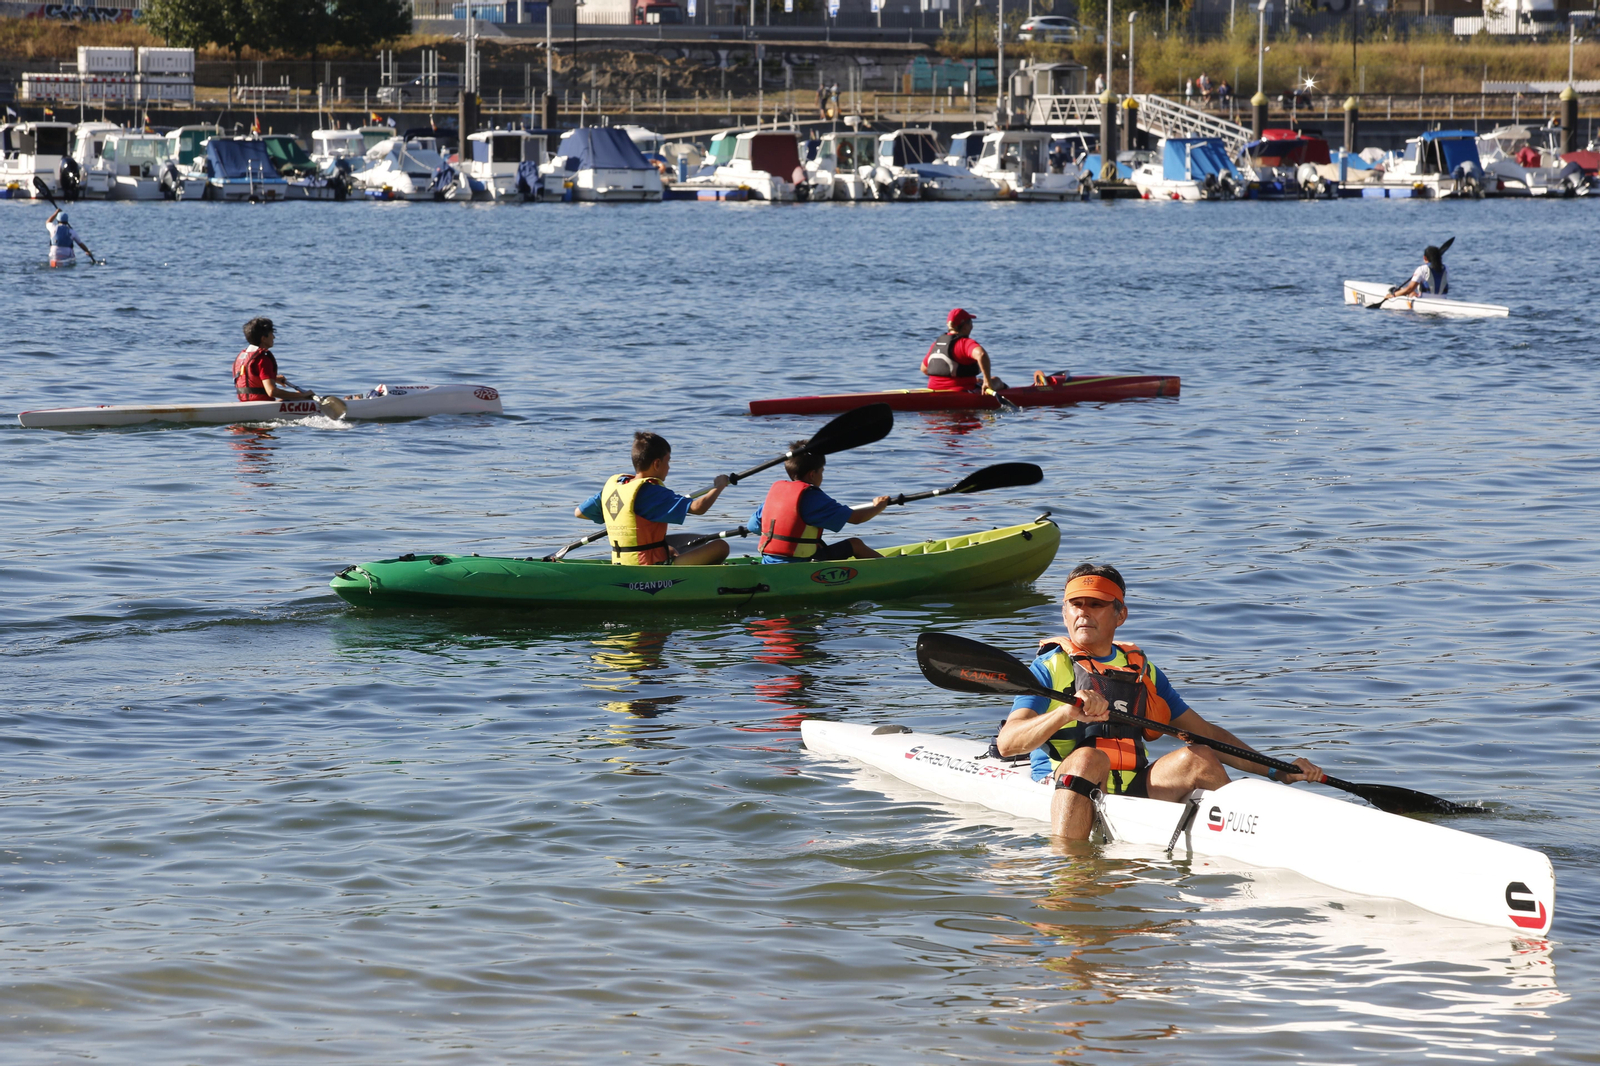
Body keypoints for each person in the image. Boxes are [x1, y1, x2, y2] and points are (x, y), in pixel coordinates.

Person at [995, 563, 1326, 842]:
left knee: (1200, 757)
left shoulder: (1142, 671)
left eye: (1095, 604)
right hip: (1064, 780)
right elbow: (1008, 743)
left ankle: (1250, 842)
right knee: (1087, 758)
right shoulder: (1048, 668)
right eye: (1076, 604)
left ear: (1120, 614)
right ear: (1064, 612)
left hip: (1134, 784)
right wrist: (1066, 712)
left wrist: (1278, 770)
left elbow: (1209, 734)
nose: (1084, 612)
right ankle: (1071, 875)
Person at [576, 431, 732, 567]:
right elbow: (699, 508)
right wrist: (719, 486)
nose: (669, 467)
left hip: (623, 564)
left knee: (670, 547)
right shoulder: (653, 492)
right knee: (721, 546)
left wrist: (622, 516)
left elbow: (580, 513)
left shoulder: (614, 488)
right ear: (657, 463)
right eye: (668, 461)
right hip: (653, 569)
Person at [747, 444, 891, 564]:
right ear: (812, 474)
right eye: (822, 471)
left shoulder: (775, 495)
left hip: (769, 562)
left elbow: (752, 526)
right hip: (801, 566)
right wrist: (879, 507)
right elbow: (856, 518)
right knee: (855, 544)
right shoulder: (812, 497)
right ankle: (893, 569)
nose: (822, 476)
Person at [922, 308, 1007, 393]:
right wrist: (987, 381)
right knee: (996, 381)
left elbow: (924, 368)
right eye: (970, 322)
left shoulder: (936, 343)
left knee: (978, 381)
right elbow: (981, 354)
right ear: (965, 326)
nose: (972, 326)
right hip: (962, 392)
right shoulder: (965, 343)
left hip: (934, 391)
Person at [233, 318, 312, 402]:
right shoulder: (263, 358)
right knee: (303, 399)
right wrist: (301, 395)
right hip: (263, 407)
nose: (274, 337)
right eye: (271, 334)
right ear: (263, 338)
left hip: (244, 403)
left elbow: (250, 378)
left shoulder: (241, 357)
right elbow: (271, 391)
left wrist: (273, 378)